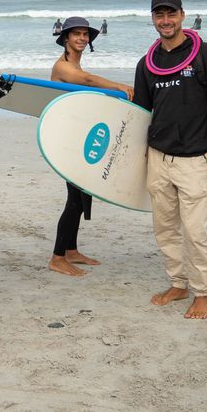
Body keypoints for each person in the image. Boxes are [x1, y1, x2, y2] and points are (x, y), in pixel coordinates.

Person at [132, 0, 207, 320]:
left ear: (182, 15)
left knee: (194, 230)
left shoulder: (206, 55)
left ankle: (202, 291)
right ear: (153, 19)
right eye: (159, 15)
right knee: (164, 227)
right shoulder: (146, 63)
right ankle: (178, 284)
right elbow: (141, 113)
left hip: (194, 159)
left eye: (171, 13)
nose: (165, 20)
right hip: (158, 158)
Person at [49, 17, 133, 277]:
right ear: (65, 38)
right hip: (66, 139)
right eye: (77, 34)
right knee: (74, 199)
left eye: (86, 34)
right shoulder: (63, 66)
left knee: (83, 194)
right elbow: (85, 81)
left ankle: (71, 249)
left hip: (78, 134)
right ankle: (57, 257)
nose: (83, 38)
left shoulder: (74, 61)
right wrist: (118, 85)